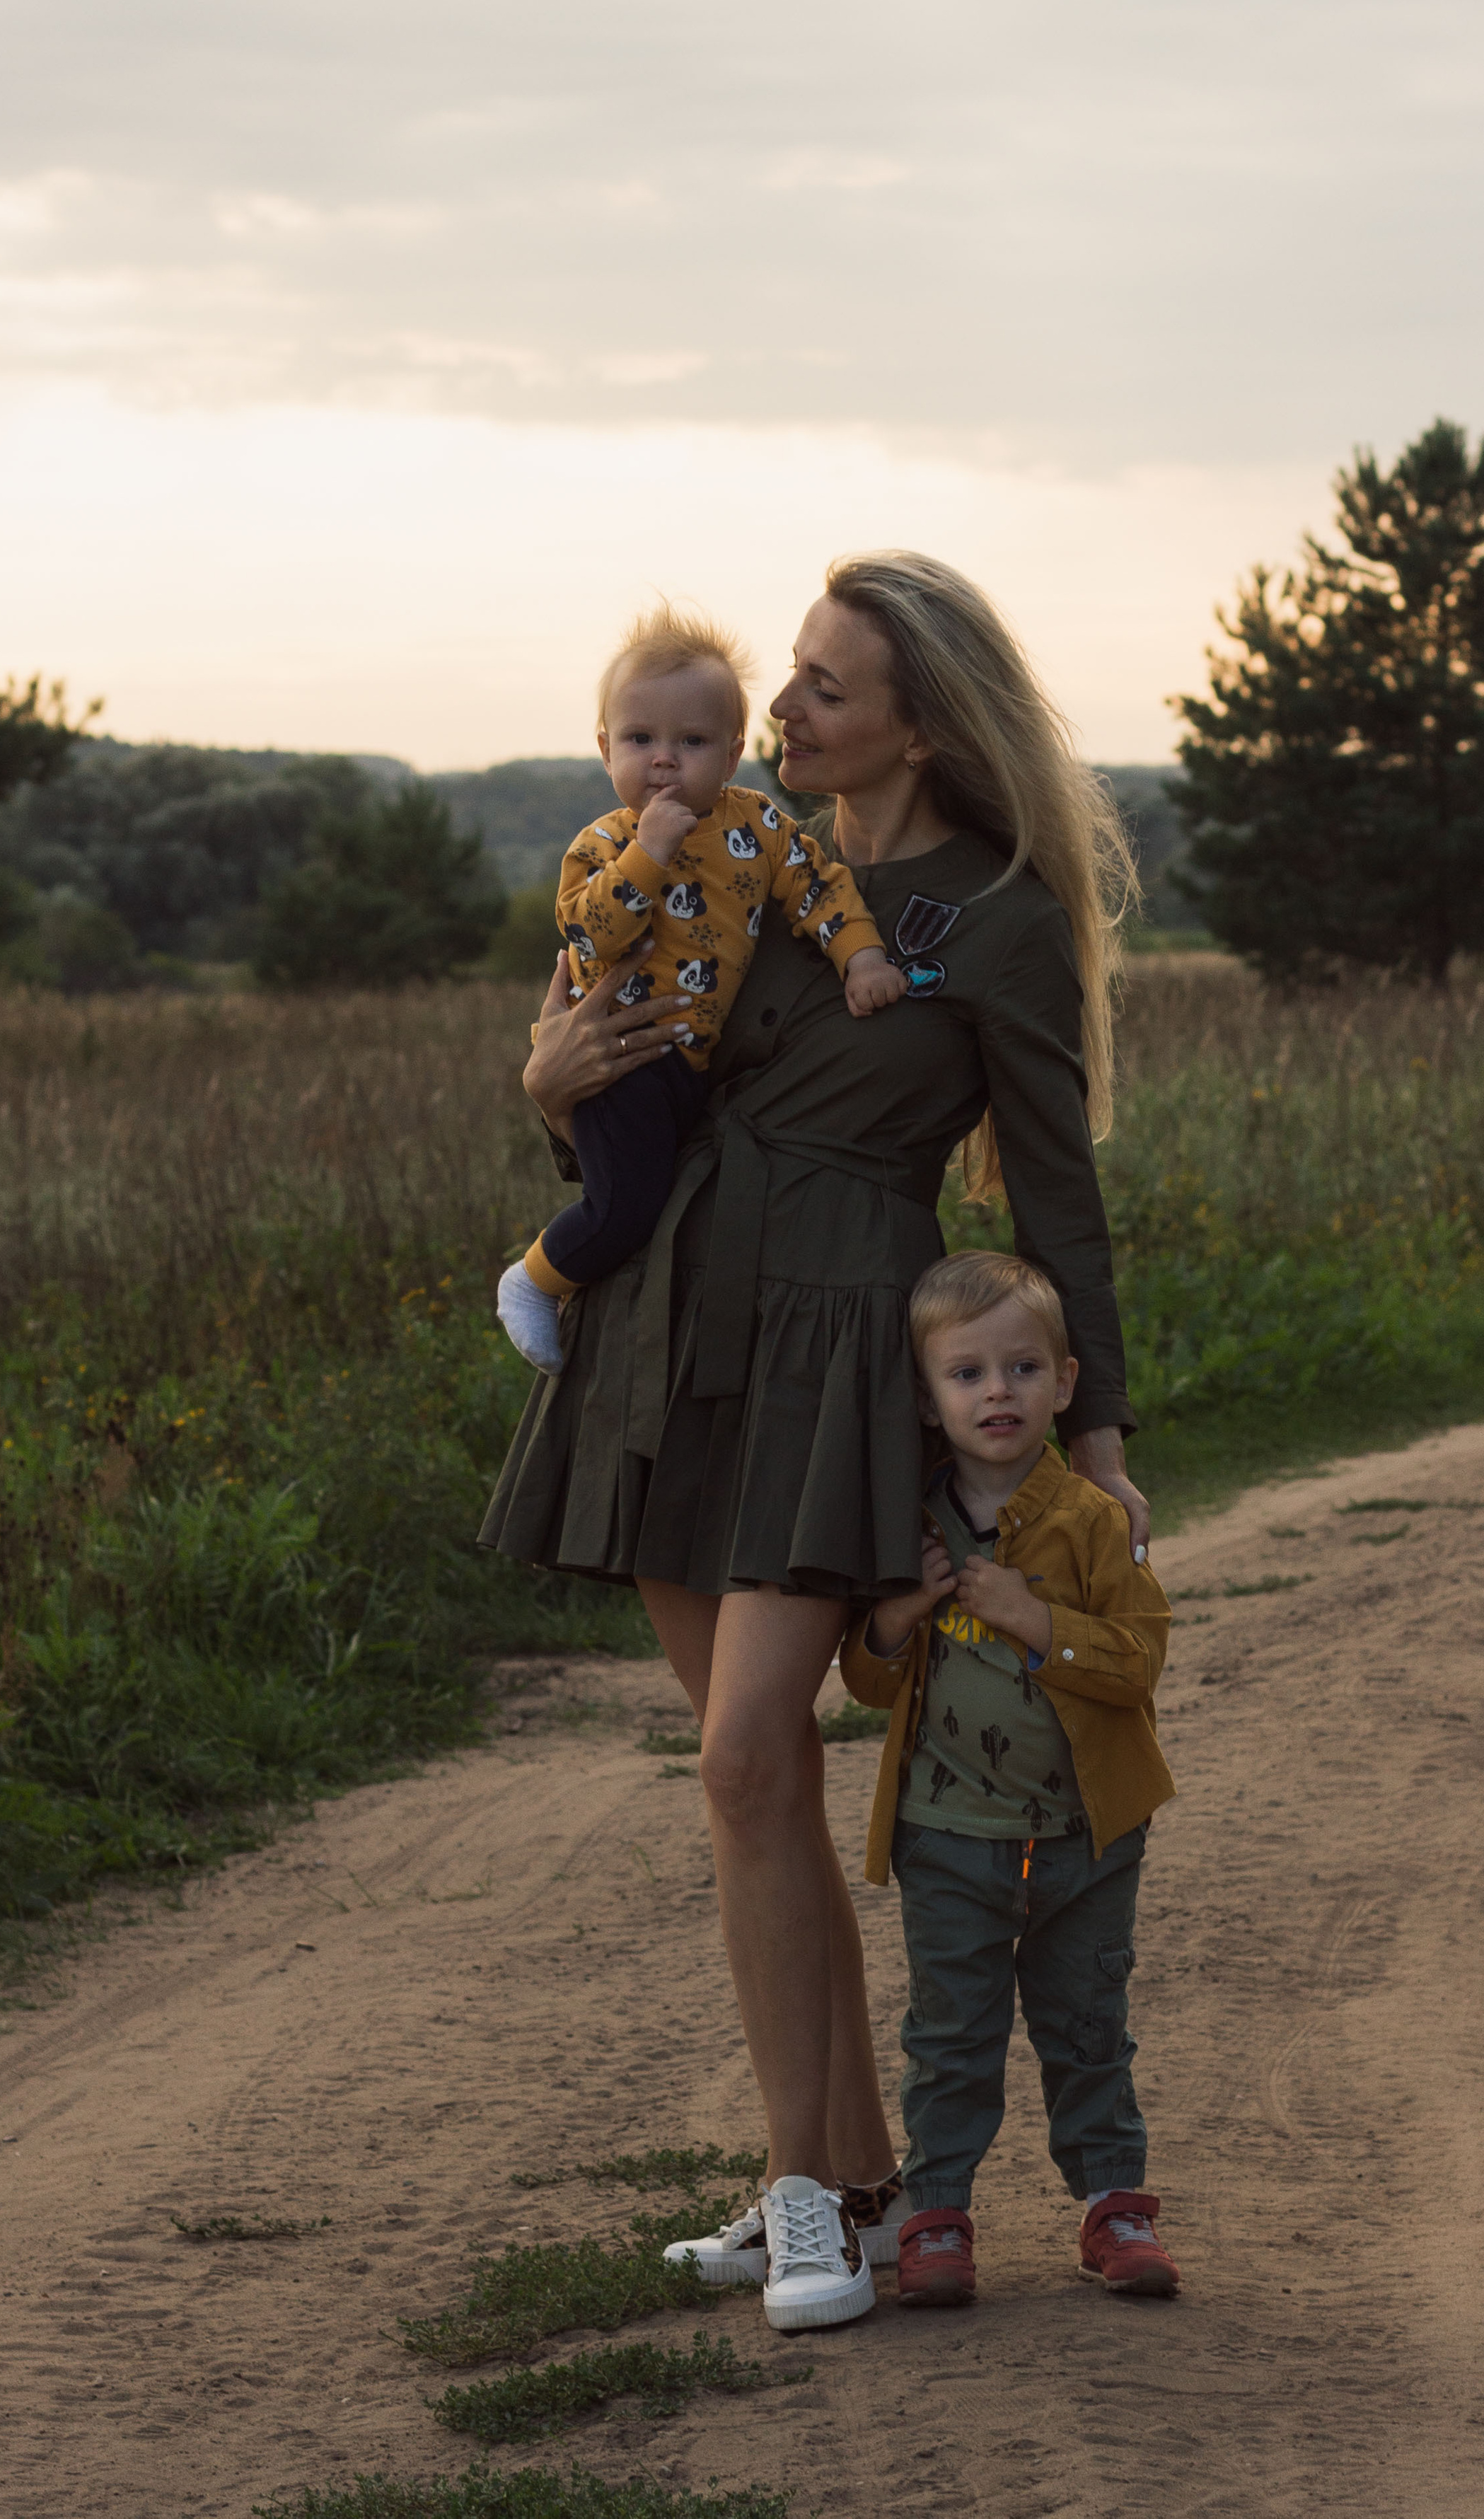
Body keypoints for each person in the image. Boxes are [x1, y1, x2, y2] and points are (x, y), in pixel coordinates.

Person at [481, 549, 1148, 2336]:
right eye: (788, 672)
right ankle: (844, 2186)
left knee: (736, 1756)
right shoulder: (744, 854)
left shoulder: (997, 915)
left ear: (919, 724)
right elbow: (635, 1081)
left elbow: (1056, 1196)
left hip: (840, 1337)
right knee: (756, 1781)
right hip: (667, 1320)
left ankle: (808, 2196)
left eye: (822, 685)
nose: (776, 708)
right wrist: (550, 1091)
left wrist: (1090, 1435)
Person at [838, 1249, 1181, 2308]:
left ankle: (1114, 2207)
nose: (999, 1392)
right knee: (951, 2037)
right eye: (968, 1373)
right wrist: (897, 1614)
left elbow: (1139, 1662)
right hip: (947, 1839)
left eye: (1024, 1369)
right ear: (927, 1397)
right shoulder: (906, 1527)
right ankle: (937, 2216)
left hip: (1085, 1838)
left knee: (1088, 2026)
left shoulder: (1094, 1521)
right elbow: (866, 1682)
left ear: (1065, 1384)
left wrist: (1037, 1620)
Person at [496, 603, 904, 1377]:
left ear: (733, 753)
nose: (663, 761)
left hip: (689, 1065)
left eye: (691, 742)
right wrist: (647, 855)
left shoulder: (760, 829)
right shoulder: (604, 844)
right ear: (604, 749)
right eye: (639, 740)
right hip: (619, 1061)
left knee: (662, 1195)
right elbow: (591, 935)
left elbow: (820, 889)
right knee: (626, 1206)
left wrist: (862, 958)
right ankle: (536, 1281)